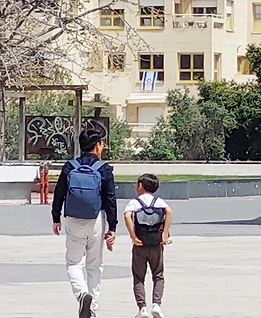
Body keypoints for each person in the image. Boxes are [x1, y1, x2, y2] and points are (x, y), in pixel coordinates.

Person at [51, 125, 117, 318]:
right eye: (102, 143)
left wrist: (56, 217)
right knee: (94, 266)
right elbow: (110, 199)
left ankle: (81, 294)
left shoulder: (70, 166)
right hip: (96, 220)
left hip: (73, 219)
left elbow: (59, 194)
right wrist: (112, 227)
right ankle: (92, 308)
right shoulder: (104, 169)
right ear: (97, 145)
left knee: (74, 262)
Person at [124, 173, 173, 318]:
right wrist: (165, 232)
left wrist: (133, 236)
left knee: (139, 277)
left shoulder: (135, 202)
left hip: (140, 243)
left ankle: (142, 308)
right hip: (156, 243)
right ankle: (156, 305)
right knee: (158, 275)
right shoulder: (159, 201)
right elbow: (169, 211)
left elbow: (127, 215)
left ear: (140, 186)